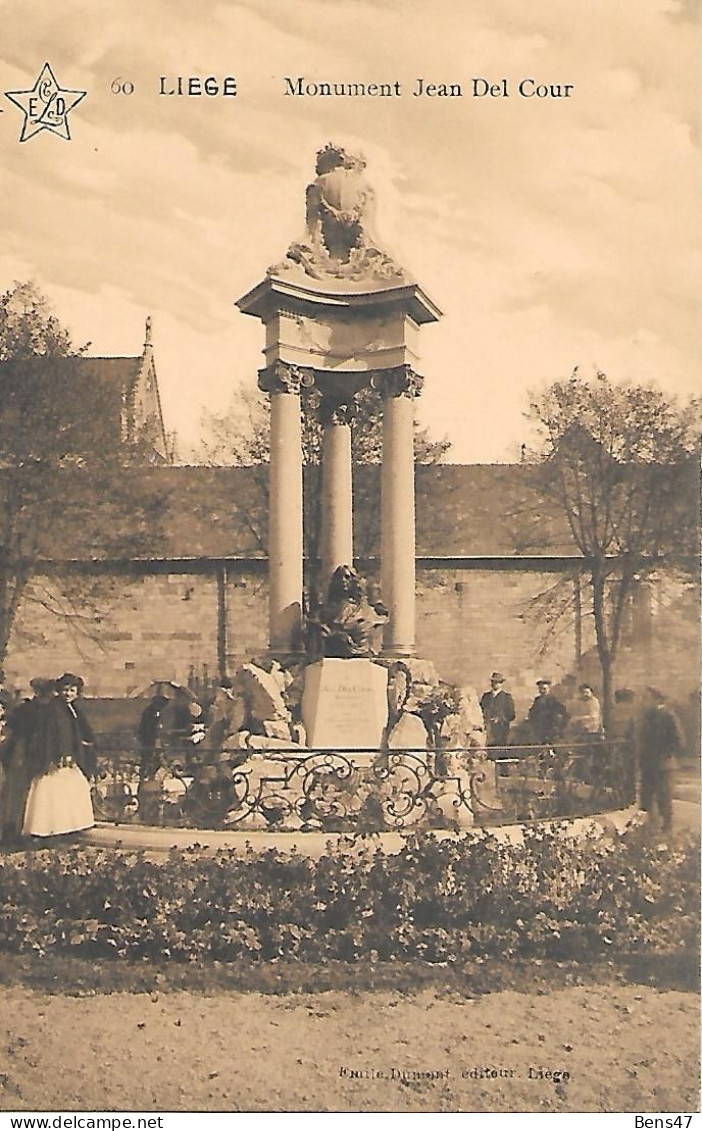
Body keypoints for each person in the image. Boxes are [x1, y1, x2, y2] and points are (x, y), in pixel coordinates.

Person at [22, 673, 97, 839]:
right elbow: (53, 734)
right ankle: (48, 829)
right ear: (59, 691)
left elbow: (76, 732)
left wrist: (83, 744)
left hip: (69, 756)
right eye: (65, 690)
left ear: (77, 692)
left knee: (73, 790)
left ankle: (69, 827)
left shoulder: (72, 708)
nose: (68, 694)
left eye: (72, 690)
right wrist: (60, 755)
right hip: (57, 757)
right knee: (52, 793)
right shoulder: (54, 709)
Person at [0, 678, 56, 844]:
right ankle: (16, 831)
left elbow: (11, 733)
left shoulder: (25, 709)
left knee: (19, 795)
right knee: (20, 795)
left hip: (23, 755)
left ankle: (14, 830)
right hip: (26, 756)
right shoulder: (45, 711)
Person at [639, 688, 684, 834]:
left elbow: (679, 740)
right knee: (646, 796)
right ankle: (647, 827)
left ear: (657, 700)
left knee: (664, 796)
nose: (644, 701)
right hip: (648, 763)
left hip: (664, 764)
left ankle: (667, 827)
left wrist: (667, 754)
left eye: (647, 698)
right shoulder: (647, 715)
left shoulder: (669, 716)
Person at [137, 693, 169, 784]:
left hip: (150, 738)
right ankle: (145, 775)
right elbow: (149, 726)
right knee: (148, 757)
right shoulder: (151, 711)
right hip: (148, 738)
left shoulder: (153, 711)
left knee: (152, 758)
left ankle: (148, 775)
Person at [527, 679, 568, 745]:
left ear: (548, 689)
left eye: (544, 689)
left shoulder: (553, 700)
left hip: (549, 726)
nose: (542, 691)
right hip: (539, 726)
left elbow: (560, 712)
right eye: (540, 689)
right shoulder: (537, 700)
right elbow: (533, 712)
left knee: (550, 743)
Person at [479, 672, 516, 747]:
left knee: (500, 749)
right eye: (493, 682)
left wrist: (501, 719)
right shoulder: (486, 697)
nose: (495, 684)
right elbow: (480, 711)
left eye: (498, 682)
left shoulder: (506, 697)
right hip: (487, 729)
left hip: (501, 729)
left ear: (501, 684)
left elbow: (511, 714)